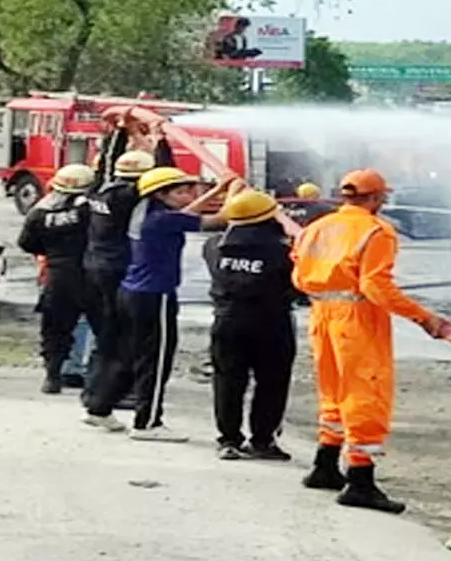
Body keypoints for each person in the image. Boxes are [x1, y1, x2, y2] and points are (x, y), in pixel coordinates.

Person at [291, 168, 447, 514]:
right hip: (357, 318)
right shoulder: (377, 231)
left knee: (333, 389)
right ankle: (360, 480)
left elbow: (298, 276)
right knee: (365, 392)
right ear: (376, 198)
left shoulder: (315, 228)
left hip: (322, 313)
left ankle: (325, 464)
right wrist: (424, 316)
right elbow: (376, 286)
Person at [84, 167, 236, 441]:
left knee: (128, 354)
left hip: (131, 293)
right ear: (161, 195)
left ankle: (100, 407)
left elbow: (186, 212)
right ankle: (148, 423)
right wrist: (239, 195)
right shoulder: (162, 220)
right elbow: (217, 220)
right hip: (155, 296)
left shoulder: (146, 211)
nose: (188, 195)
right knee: (156, 360)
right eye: (181, 191)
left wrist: (218, 189)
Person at [205, 189, 298, 461]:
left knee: (227, 381)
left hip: (227, 319)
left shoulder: (213, 245)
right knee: (272, 382)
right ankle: (263, 440)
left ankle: (229, 439)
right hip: (271, 321)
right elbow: (298, 285)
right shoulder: (284, 251)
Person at [81, 147, 162, 409]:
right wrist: (161, 144)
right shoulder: (128, 196)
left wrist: (118, 134)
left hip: (94, 267)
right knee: (123, 335)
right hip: (118, 269)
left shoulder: (98, 189)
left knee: (105, 333)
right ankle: (115, 392)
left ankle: (93, 389)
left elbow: (104, 162)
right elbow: (164, 178)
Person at [20, 164, 96, 394]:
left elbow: (26, 243)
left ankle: (53, 375)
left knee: (54, 328)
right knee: (101, 325)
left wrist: (51, 252)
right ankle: (94, 378)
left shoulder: (40, 211)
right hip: (90, 272)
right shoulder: (89, 210)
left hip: (57, 274)